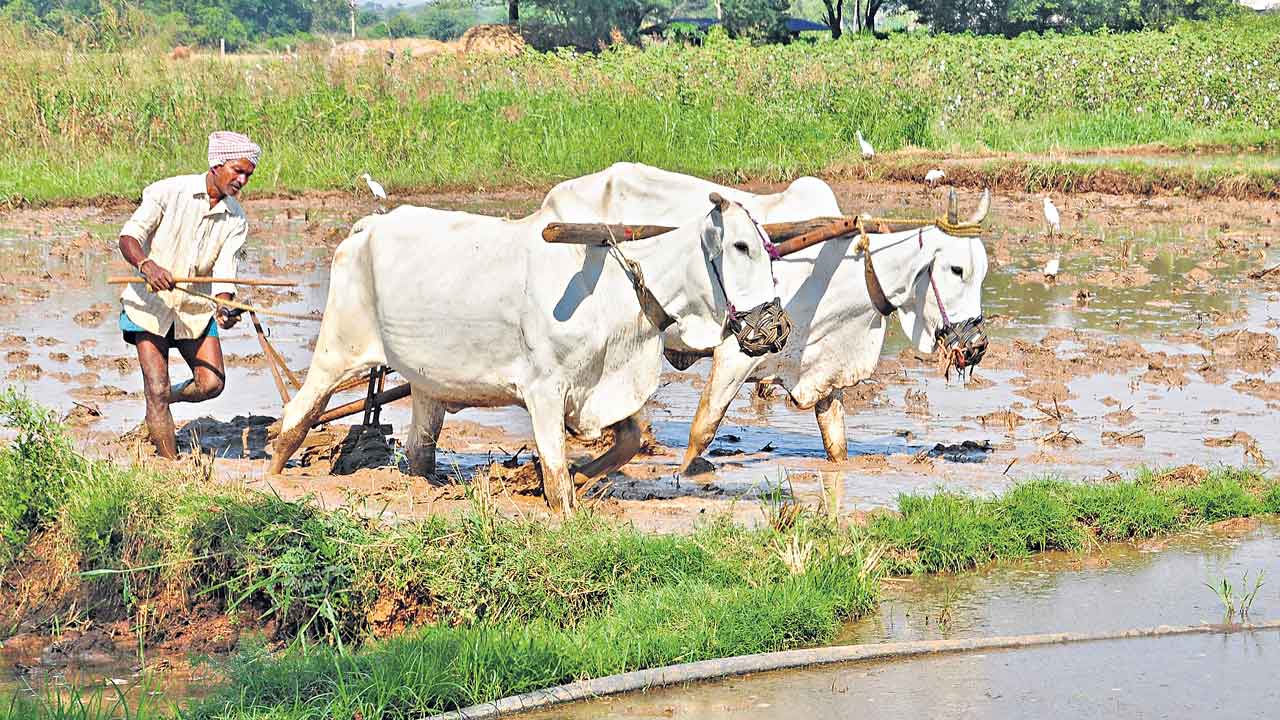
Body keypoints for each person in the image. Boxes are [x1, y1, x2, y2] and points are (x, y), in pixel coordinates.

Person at [117, 131, 260, 458]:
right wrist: (146, 265)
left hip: (193, 309)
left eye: (248, 175)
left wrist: (225, 305)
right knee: (156, 386)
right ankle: (170, 467)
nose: (241, 180)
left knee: (212, 383)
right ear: (216, 164)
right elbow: (129, 237)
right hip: (149, 307)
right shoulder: (169, 191)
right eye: (237, 170)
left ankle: (165, 401)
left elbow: (225, 273)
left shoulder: (236, 219)